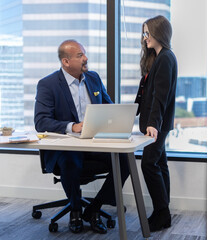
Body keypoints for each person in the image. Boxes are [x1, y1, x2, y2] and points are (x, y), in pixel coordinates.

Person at [34, 40, 129, 234]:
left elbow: (109, 109)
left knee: (125, 161)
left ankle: (94, 209)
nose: (85, 58)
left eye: (84, 54)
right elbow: (41, 121)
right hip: (65, 148)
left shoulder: (93, 78)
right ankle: (76, 210)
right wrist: (73, 127)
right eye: (80, 55)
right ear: (66, 62)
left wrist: (118, 121)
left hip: (94, 144)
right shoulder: (48, 84)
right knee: (71, 160)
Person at [135, 15, 178, 232]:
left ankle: (162, 213)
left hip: (157, 124)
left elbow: (161, 95)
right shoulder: (159, 58)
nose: (145, 38)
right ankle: (163, 211)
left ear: (158, 33)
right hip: (157, 122)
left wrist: (153, 123)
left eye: (147, 33)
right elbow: (148, 92)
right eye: (144, 34)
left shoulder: (166, 58)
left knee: (148, 164)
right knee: (159, 164)